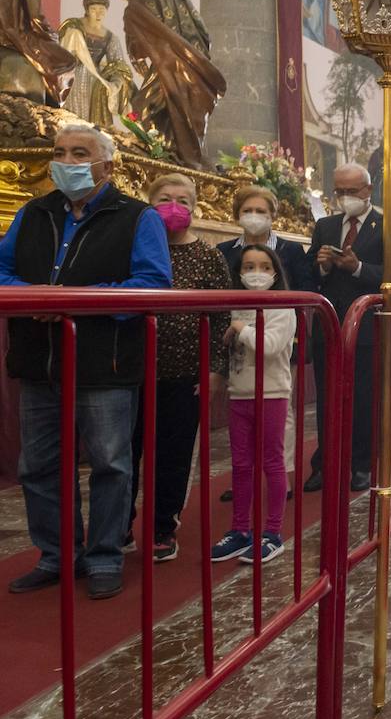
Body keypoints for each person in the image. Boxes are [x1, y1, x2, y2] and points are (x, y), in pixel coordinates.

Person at [1, 124, 172, 599]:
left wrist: (73, 301)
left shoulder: (138, 217)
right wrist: (28, 295)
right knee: (38, 466)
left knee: (110, 464)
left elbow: (152, 284)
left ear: (107, 165)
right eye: (60, 152)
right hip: (39, 360)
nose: (68, 161)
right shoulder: (34, 213)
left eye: (81, 153)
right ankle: (57, 555)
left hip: (105, 364)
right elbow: (2, 270)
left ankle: (102, 557)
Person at [128, 173, 231, 562]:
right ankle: (120, 524)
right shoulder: (132, 248)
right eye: (165, 198)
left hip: (185, 373)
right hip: (130, 371)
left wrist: (216, 369)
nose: (175, 206)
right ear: (148, 202)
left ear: (195, 207)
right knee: (124, 453)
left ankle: (161, 528)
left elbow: (222, 317)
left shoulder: (208, 255)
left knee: (172, 455)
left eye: (184, 200)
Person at [303, 163, 391, 493]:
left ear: (367, 190)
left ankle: (362, 464)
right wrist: (320, 266)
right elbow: (310, 276)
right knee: (328, 399)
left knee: (363, 399)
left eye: (351, 191)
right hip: (329, 327)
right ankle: (326, 463)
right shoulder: (325, 225)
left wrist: (357, 267)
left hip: (366, 329)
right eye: (339, 192)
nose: (345, 198)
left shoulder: (388, 225)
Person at [210, 244, 296, 563]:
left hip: (271, 393)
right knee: (241, 464)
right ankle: (240, 530)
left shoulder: (283, 307)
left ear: (274, 272)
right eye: (248, 267)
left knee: (271, 461)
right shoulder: (237, 305)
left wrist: (241, 329)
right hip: (240, 393)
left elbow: (271, 346)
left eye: (262, 266)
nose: (255, 273)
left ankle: (272, 533)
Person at [109, 0, 226, 166]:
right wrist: (196, 58)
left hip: (166, 66)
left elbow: (135, 45)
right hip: (193, 64)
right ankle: (184, 157)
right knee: (188, 112)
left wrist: (140, 61)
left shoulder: (135, 7)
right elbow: (203, 32)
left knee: (145, 108)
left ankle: (164, 157)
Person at [0, 0, 77, 105]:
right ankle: (54, 107)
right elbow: (35, 15)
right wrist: (51, 35)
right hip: (16, 37)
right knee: (66, 62)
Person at [217, 185, 313, 294]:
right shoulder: (223, 250)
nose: (253, 216)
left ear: (273, 215)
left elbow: (306, 291)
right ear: (237, 214)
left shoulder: (292, 250)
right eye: (247, 211)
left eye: (260, 211)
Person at [59, 0, 132, 128]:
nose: (98, 14)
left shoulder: (110, 37)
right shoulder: (74, 27)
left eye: (102, 10)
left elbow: (118, 62)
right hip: (72, 75)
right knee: (71, 110)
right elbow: (62, 48)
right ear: (87, 10)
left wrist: (116, 82)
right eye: (94, 9)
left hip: (95, 78)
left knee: (92, 113)